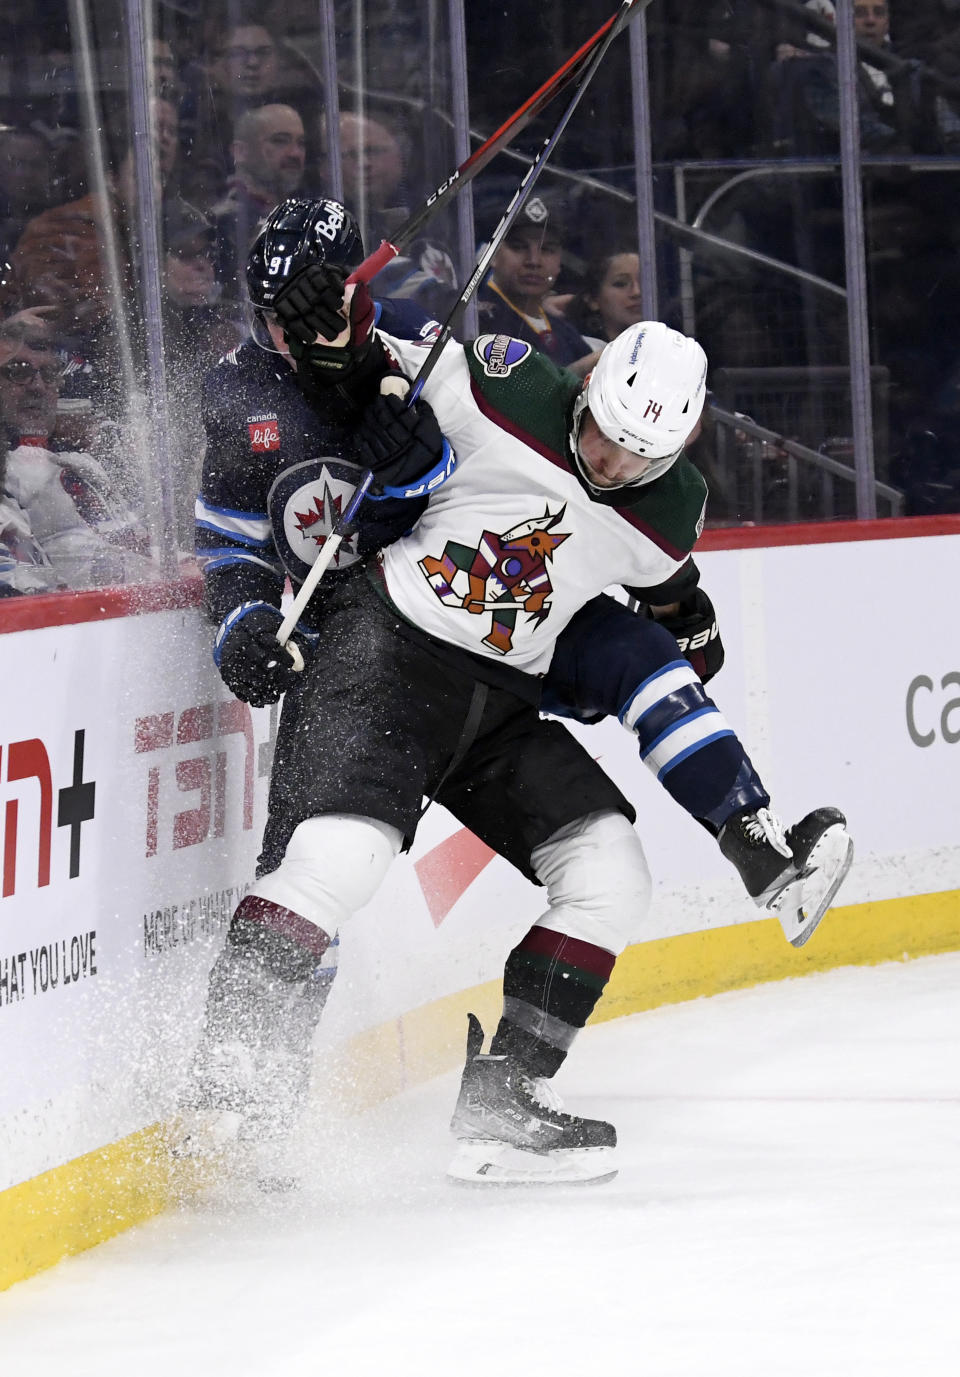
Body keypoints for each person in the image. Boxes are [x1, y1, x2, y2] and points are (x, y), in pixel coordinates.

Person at [183, 197, 853, 1189]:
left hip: (498, 700)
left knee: (612, 873)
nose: (610, 460)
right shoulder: (501, 382)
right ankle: (227, 1088)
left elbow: (660, 586)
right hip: (386, 651)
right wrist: (337, 339)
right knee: (337, 861)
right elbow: (373, 364)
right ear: (587, 387)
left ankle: (503, 1101)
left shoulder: (670, 514)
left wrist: (690, 612)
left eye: (640, 454)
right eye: (603, 433)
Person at [0, 314, 159, 588]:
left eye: (49, 374)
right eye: (19, 371)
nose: (38, 386)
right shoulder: (12, 481)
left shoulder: (84, 464)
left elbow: (145, 548)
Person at [475, 195, 595, 374]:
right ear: (491, 254)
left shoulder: (564, 330)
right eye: (518, 247)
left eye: (547, 250)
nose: (534, 261)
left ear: (559, 261)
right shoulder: (478, 320)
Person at [209, 103, 308, 306]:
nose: (295, 153)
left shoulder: (308, 214)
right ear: (240, 152)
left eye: (301, 143)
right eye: (280, 141)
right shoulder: (219, 221)